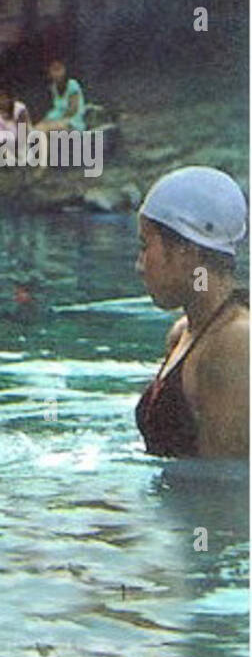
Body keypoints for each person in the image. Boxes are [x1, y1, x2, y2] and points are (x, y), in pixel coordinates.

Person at [134, 166, 248, 458]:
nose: (140, 265)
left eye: (146, 246)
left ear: (188, 251)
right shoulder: (184, 332)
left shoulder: (235, 345)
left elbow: (227, 490)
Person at [34, 59, 86, 132]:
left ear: (64, 70)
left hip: (72, 121)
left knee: (45, 130)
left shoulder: (72, 84)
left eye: (58, 69)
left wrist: (55, 122)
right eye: (53, 70)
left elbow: (73, 110)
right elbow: (56, 110)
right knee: (36, 129)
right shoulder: (53, 88)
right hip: (57, 120)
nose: (56, 73)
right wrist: (45, 121)